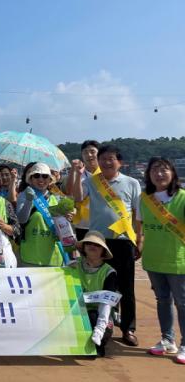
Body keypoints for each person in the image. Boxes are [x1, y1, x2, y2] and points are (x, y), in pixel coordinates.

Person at [71, 144, 142, 346]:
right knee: (100, 284)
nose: (106, 162)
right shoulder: (92, 181)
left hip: (123, 241)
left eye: (111, 158)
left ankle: (128, 328)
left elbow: (138, 214)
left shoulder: (132, 182)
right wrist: (76, 174)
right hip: (98, 242)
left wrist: (140, 239)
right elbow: (77, 197)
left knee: (126, 286)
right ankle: (104, 324)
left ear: (120, 162)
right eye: (103, 159)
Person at [139, 157, 185, 363]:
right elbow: (140, 227)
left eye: (164, 169)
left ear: (172, 173)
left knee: (183, 303)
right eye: (154, 170)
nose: (159, 174)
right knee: (162, 300)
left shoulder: (182, 197)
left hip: (178, 260)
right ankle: (168, 340)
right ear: (148, 175)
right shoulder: (145, 199)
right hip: (153, 259)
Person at [70, 231, 118, 357]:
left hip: (99, 312)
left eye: (97, 245)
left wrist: (100, 329)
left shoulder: (109, 272)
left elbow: (106, 304)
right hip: (75, 310)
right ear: (84, 247)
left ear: (103, 251)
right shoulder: (73, 266)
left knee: (96, 326)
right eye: (88, 243)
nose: (92, 246)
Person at [16, 162, 73, 267]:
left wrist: (68, 218)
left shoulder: (57, 197)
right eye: (36, 176)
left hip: (54, 256)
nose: (41, 179)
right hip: (31, 256)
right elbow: (21, 220)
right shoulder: (24, 195)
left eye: (45, 176)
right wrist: (29, 200)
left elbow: (65, 227)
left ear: (50, 179)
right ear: (31, 179)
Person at [66, 140, 100, 240]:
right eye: (85, 152)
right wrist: (73, 170)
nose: (89, 155)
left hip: (102, 223)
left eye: (92, 152)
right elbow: (69, 192)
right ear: (82, 155)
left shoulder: (106, 174)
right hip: (82, 225)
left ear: (99, 153)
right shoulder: (78, 173)